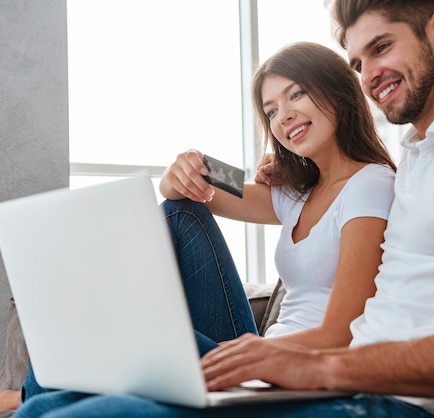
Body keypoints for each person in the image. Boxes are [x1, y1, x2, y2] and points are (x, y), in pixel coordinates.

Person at [13, 1, 434, 417]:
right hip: (334, 381)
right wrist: (188, 165)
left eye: (382, 47)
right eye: (359, 62)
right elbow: (211, 189)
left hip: (378, 395)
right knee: (89, 369)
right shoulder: (415, 156)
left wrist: (314, 366)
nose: (370, 74)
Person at [11, 41, 395, 415]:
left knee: (106, 329)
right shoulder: (296, 194)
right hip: (259, 359)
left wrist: (252, 355)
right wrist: (189, 162)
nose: (284, 116)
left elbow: (340, 334)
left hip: (286, 367)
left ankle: (23, 395)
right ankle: (30, 396)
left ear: (339, 91)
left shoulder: (369, 185)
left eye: (296, 95)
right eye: (271, 110)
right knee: (181, 212)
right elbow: (187, 191)